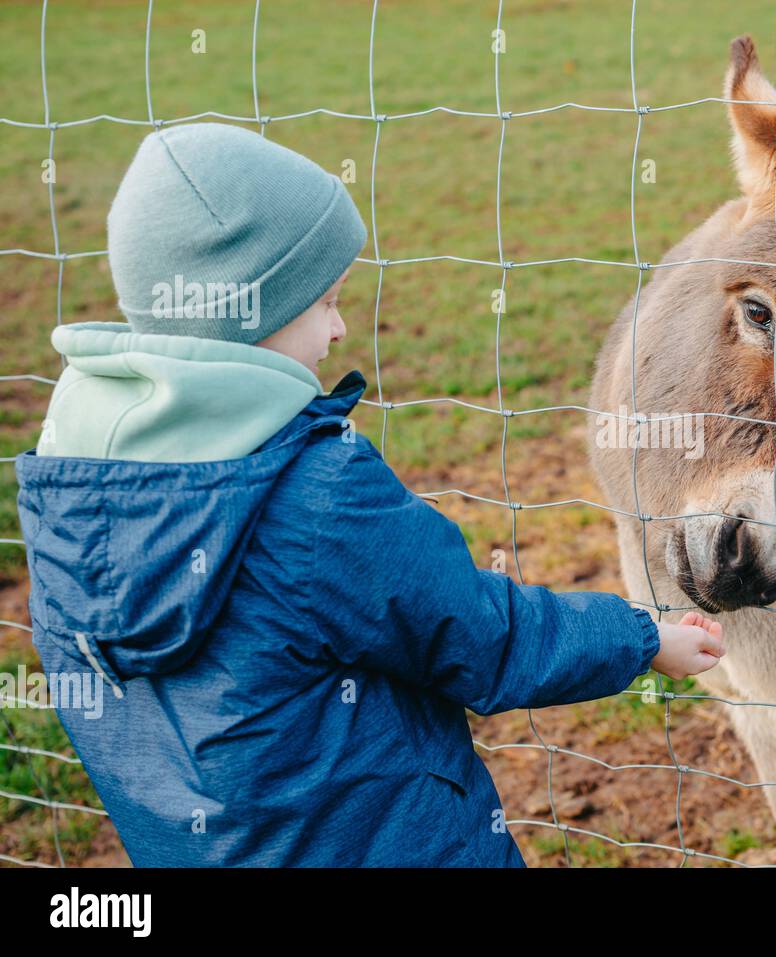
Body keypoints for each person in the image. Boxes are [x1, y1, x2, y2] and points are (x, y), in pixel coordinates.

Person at [15, 122, 724, 866]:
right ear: (252, 313)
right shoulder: (316, 493)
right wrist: (642, 639)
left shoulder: (70, 484)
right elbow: (480, 634)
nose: (342, 325)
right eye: (325, 301)